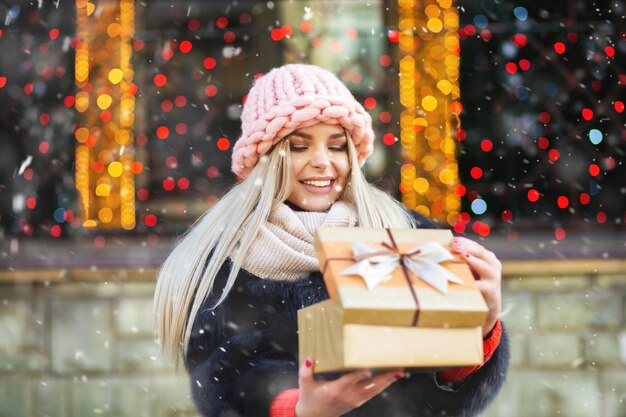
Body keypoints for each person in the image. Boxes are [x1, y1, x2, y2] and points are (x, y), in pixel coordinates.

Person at [154, 64, 509, 417]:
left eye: (337, 146)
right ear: (264, 159)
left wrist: (481, 328)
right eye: (298, 147)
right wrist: (296, 408)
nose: (322, 162)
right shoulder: (225, 259)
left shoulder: (404, 235)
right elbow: (226, 376)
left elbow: (442, 394)